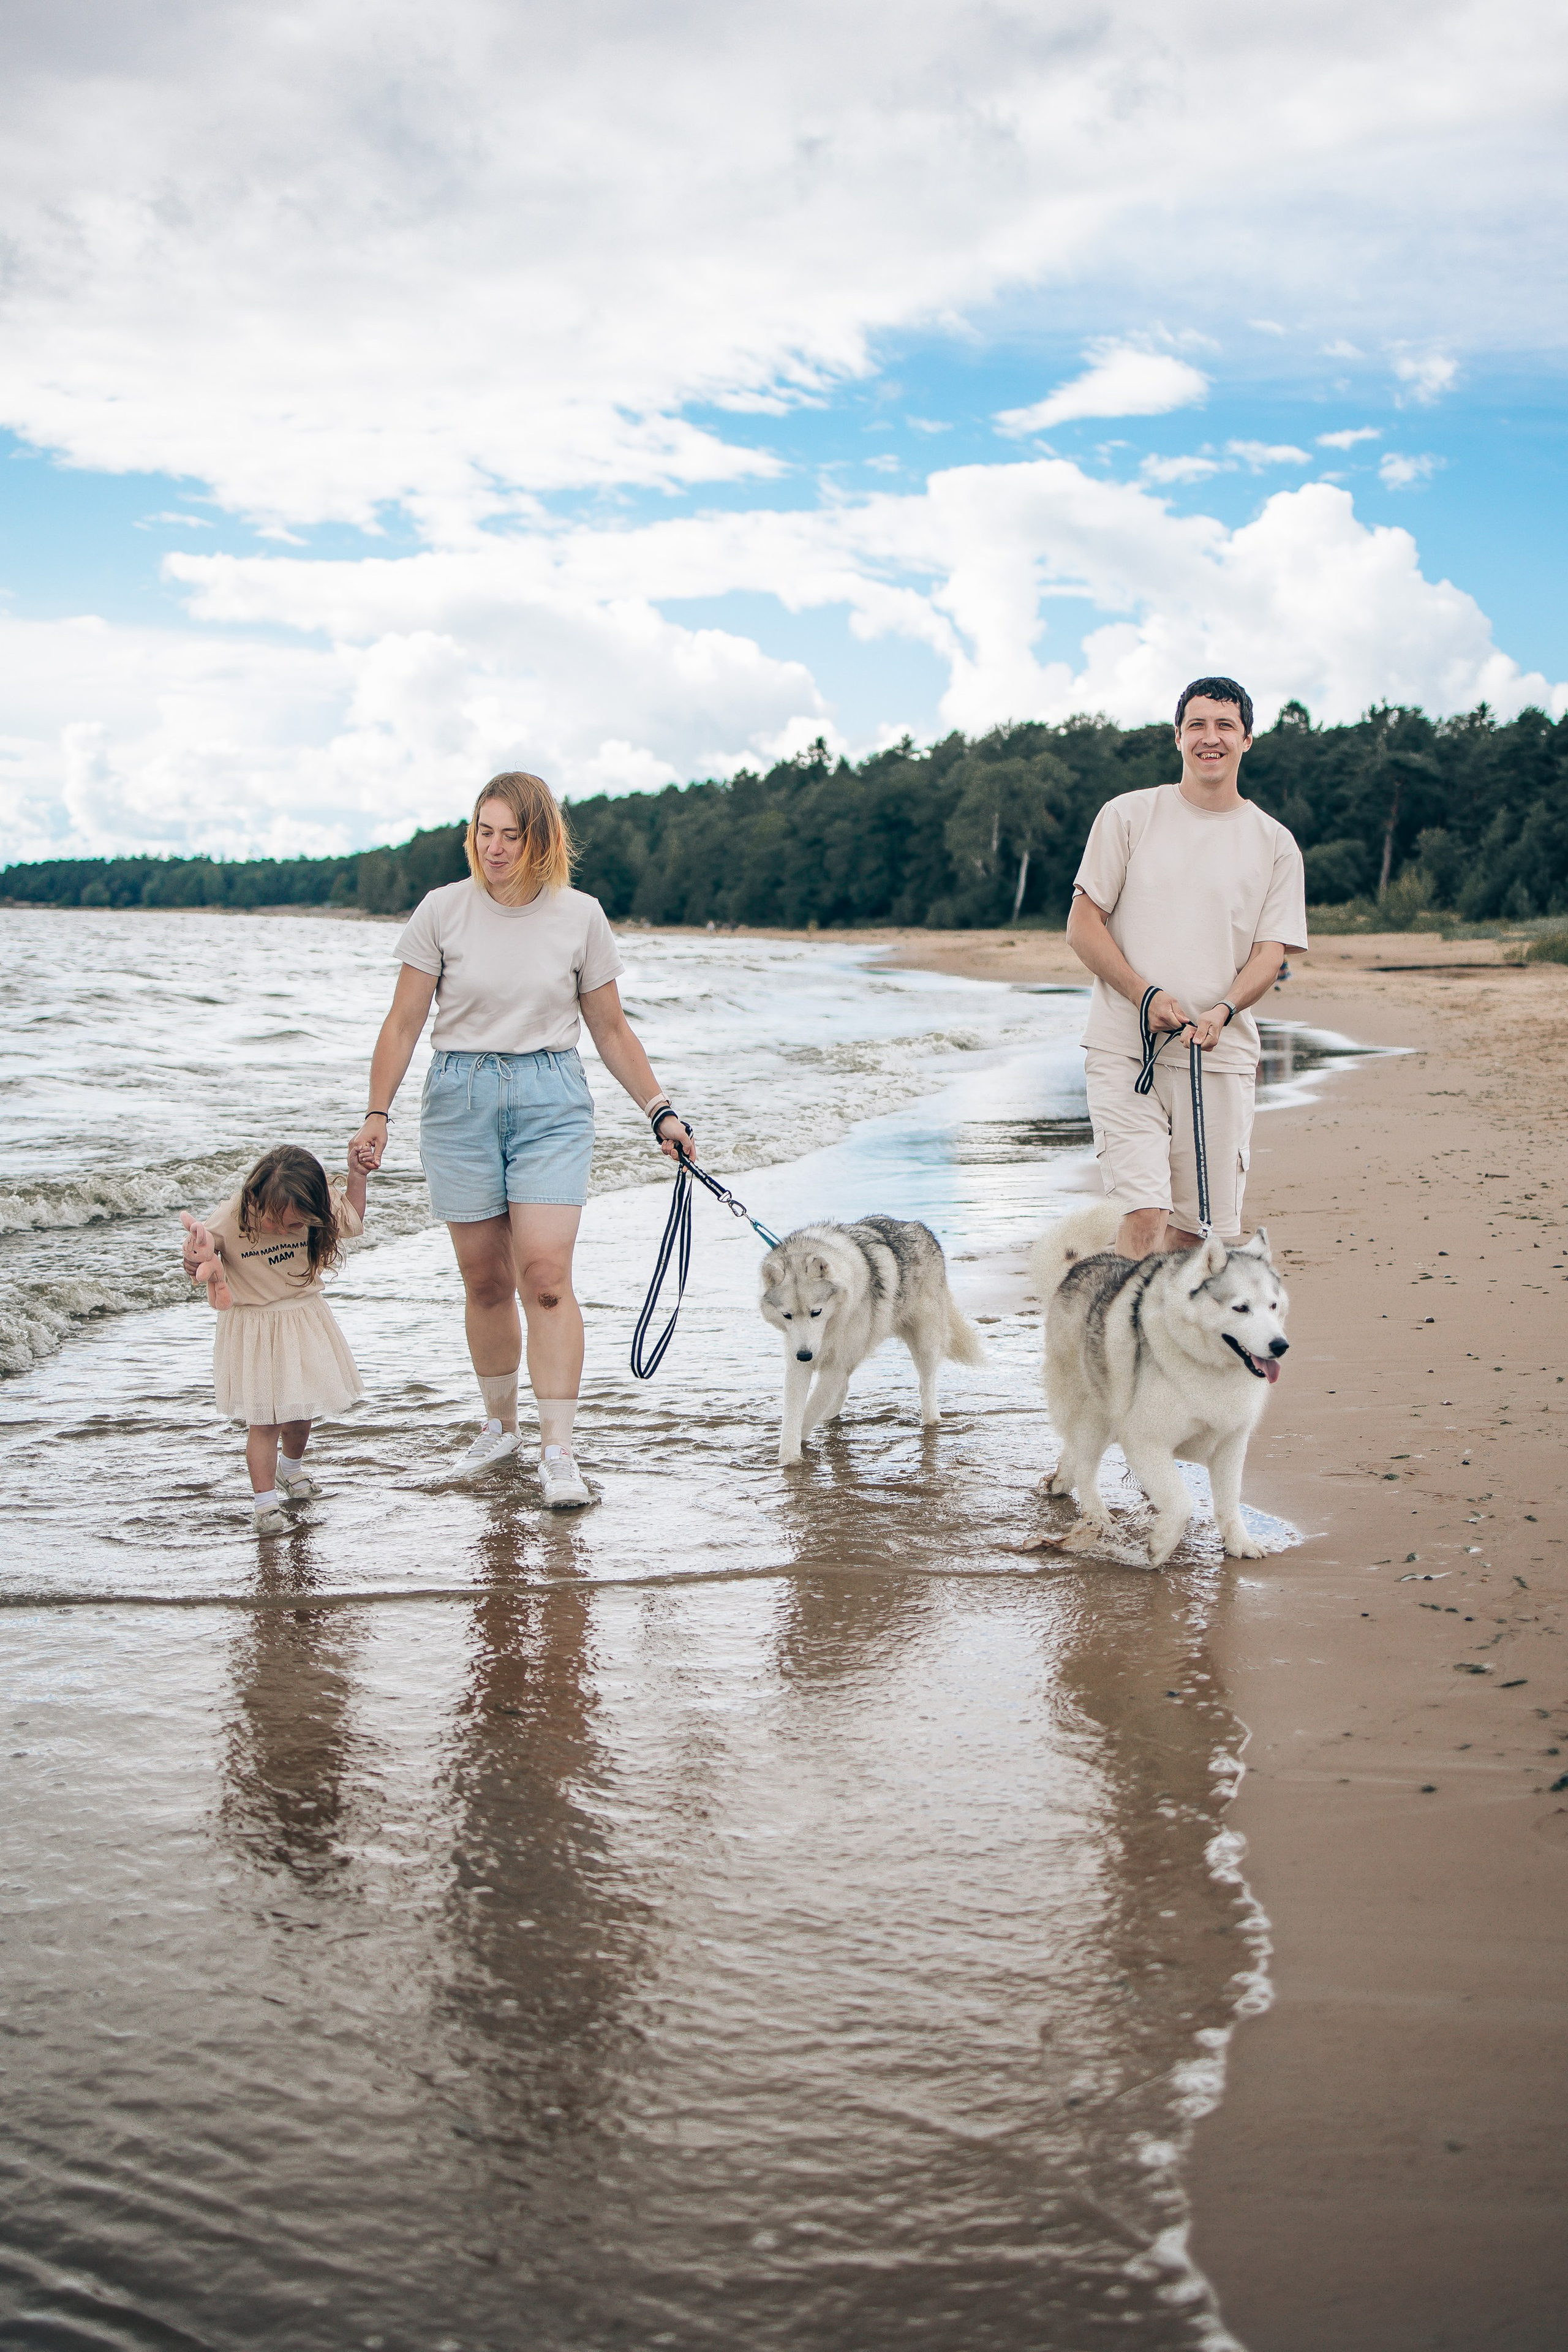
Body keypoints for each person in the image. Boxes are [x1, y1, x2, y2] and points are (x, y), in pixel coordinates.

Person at [349, 769, 695, 1509]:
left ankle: (558, 1450)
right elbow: (404, 1022)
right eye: (484, 830)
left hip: (550, 1098)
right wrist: (376, 1113)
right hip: (458, 1098)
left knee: (543, 1276)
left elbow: (608, 1027)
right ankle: (501, 1428)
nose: (495, 847)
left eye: (511, 833)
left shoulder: (581, 916)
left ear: (540, 838)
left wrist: (659, 1111)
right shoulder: (441, 910)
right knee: (483, 1282)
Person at [1065, 676, 1308, 1257]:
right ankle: (1120, 1345)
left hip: (1218, 1059)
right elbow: (1082, 925)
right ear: (1178, 737)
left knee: (1194, 1236)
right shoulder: (1128, 816)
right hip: (1128, 1052)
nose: (1211, 738)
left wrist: (1224, 1010)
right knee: (1145, 1212)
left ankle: (1163, 1345)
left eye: (1225, 725)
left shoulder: (1275, 843)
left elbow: (1269, 954)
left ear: (1247, 739)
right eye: (1197, 724)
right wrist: (1143, 995)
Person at [181, 1143, 370, 1536]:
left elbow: (351, 1219)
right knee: (265, 1421)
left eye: (296, 1226)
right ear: (254, 1198)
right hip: (255, 1328)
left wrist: (357, 1176)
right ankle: (264, 1504)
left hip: (303, 1318)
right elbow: (204, 1251)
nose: (284, 1231)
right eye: (275, 1222)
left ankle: (291, 1469)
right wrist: (196, 1256)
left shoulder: (313, 1203)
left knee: (301, 1413)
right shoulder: (233, 1214)